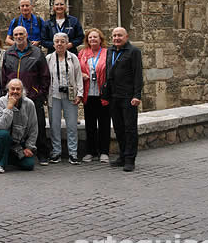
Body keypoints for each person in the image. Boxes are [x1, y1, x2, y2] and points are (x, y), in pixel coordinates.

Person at [1, 25, 50, 165]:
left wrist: (40, 93)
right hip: (13, 96)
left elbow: (45, 75)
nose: (18, 37)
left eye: (21, 34)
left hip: (33, 96)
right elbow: (4, 74)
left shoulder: (37, 52)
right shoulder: (8, 53)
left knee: (38, 124)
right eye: (16, 34)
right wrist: (5, 92)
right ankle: (15, 152)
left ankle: (42, 153)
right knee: (14, 124)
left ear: (26, 35)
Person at [106, 27, 143, 172]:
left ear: (126, 37)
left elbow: (138, 74)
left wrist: (137, 95)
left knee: (130, 129)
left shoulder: (134, 52)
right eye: (114, 35)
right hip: (114, 96)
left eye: (119, 35)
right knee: (119, 128)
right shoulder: (110, 51)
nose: (116, 38)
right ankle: (122, 156)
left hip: (128, 96)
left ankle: (130, 159)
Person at [46, 32, 84, 164]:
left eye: (62, 41)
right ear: (53, 44)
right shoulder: (49, 58)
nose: (59, 44)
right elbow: (45, 78)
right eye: (57, 41)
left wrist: (80, 94)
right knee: (54, 125)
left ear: (67, 43)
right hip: (54, 95)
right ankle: (56, 152)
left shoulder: (73, 58)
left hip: (71, 95)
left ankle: (73, 153)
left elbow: (78, 76)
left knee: (72, 125)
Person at [0, 79, 38, 173]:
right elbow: (2, 126)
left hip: (17, 141)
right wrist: (9, 107)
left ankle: (7, 156)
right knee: (3, 134)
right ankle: (2, 164)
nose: (15, 91)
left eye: (18, 89)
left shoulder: (29, 104)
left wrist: (29, 147)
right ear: (8, 90)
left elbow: (33, 128)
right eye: (12, 89)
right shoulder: (0, 102)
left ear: (22, 91)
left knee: (29, 164)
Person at [78, 28, 111, 163]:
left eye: (95, 37)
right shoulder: (82, 53)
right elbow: (77, 69)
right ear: (87, 40)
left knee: (104, 124)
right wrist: (82, 74)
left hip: (102, 94)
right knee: (90, 125)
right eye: (90, 37)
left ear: (100, 39)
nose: (93, 39)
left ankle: (104, 152)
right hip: (89, 93)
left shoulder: (107, 53)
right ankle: (90, 152)